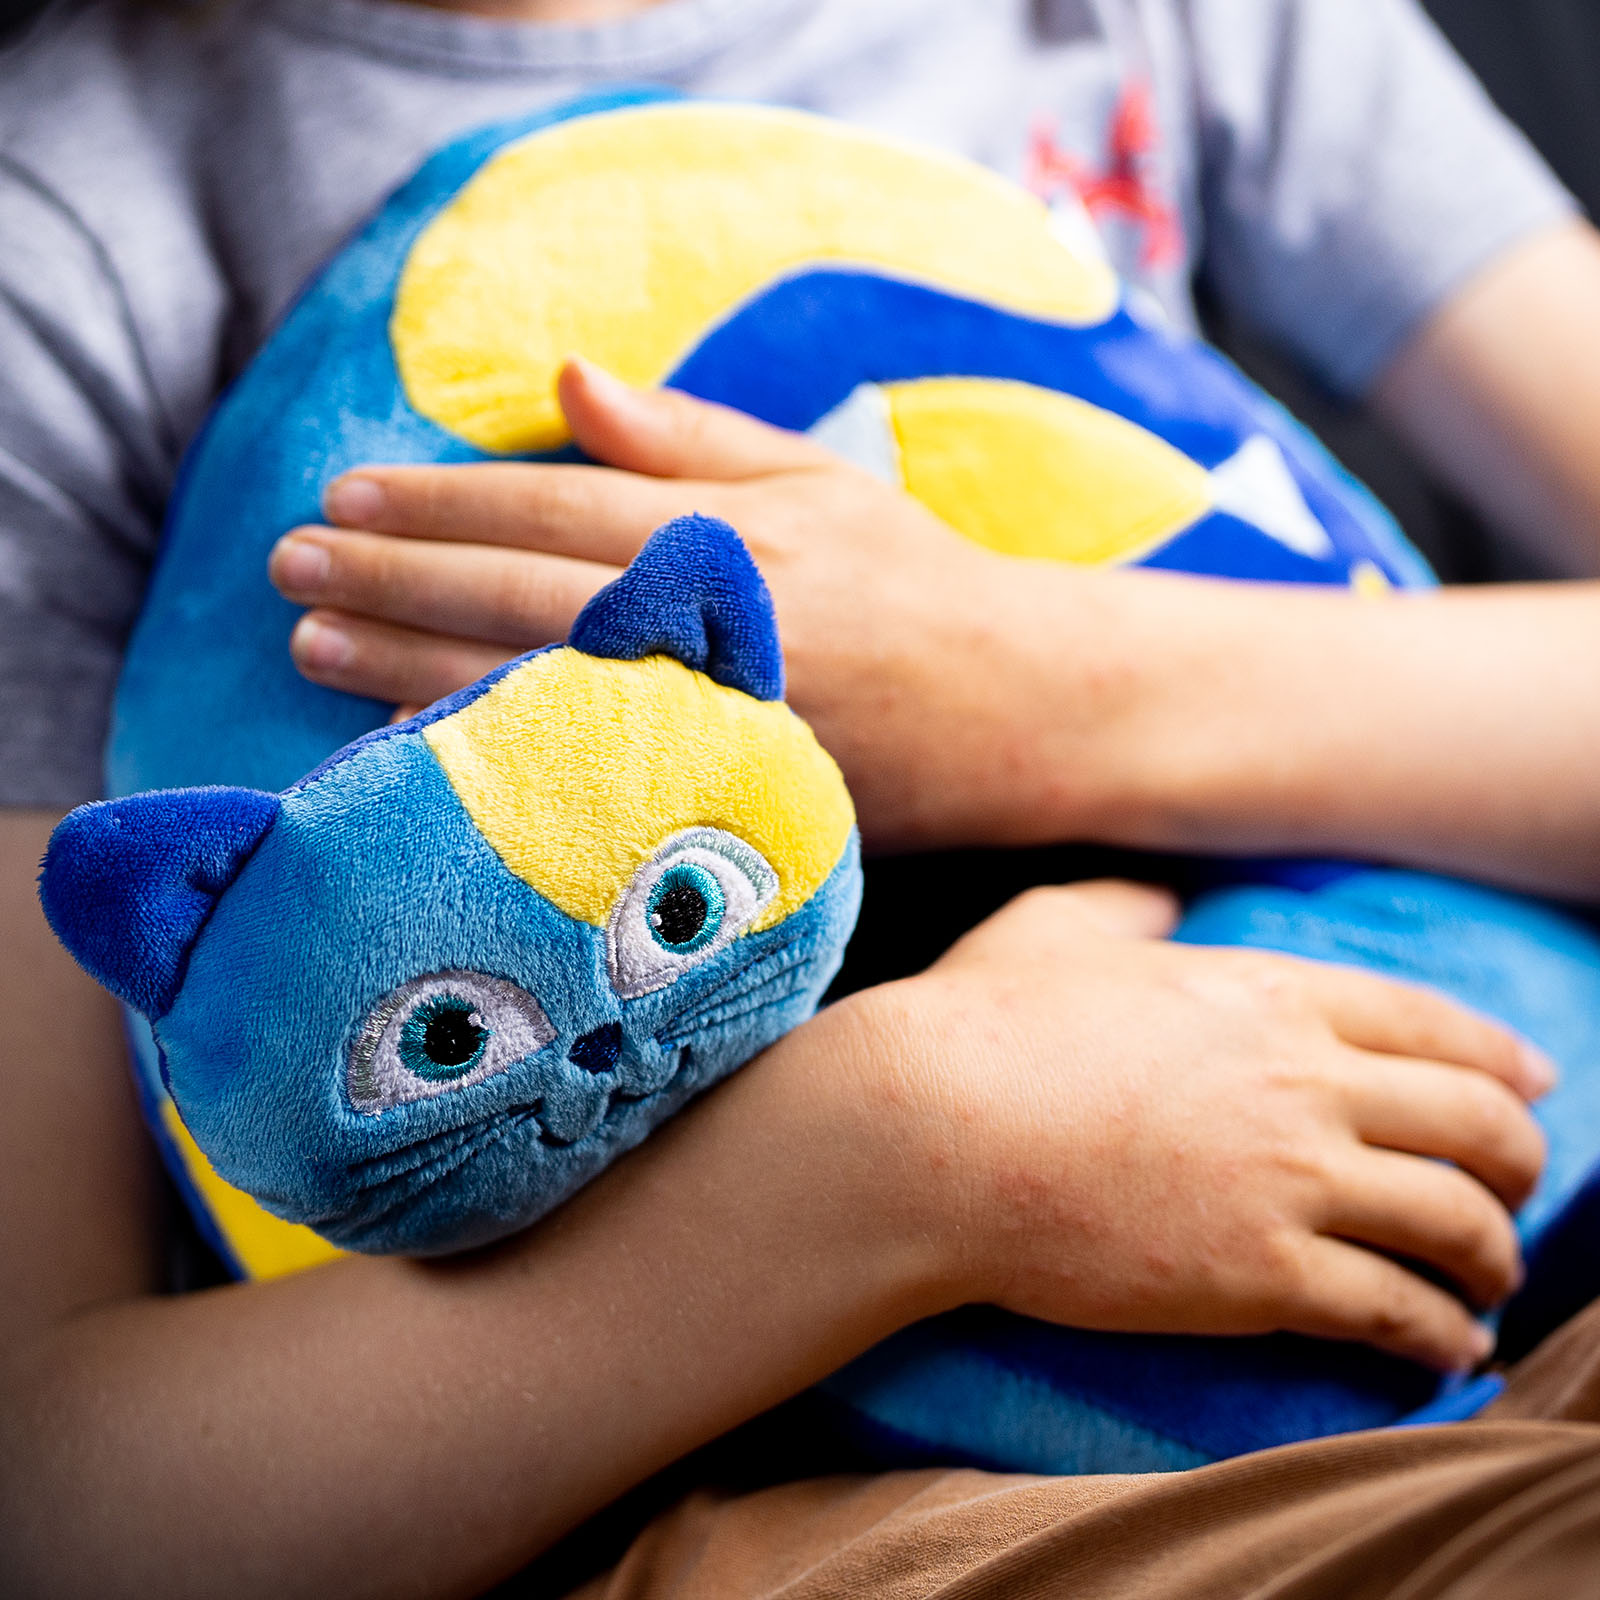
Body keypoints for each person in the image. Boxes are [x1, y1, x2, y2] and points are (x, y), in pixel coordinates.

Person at [3, 1, 1600, 1594]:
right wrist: (914, 1151)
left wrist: (1043, 686)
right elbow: (55, 1504)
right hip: (791, 1497)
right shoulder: (69, 246)